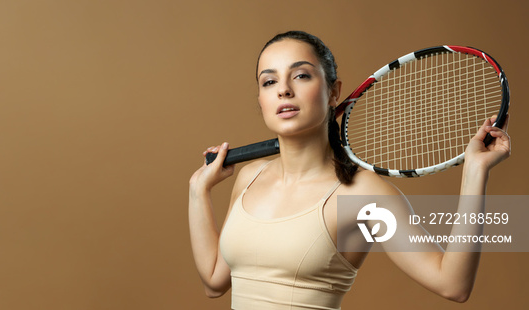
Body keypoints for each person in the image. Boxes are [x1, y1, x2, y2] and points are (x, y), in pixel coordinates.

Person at [188, 31, 511, 309]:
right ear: (261, 100)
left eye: (301, 75)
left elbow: (452, 285)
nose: (283, 89)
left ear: (334, 92)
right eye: (269, 81)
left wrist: (474, 173)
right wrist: (198, 191)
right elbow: (215, 283)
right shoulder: (250, 176)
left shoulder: (362, 196)